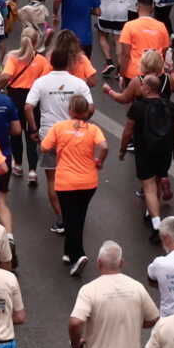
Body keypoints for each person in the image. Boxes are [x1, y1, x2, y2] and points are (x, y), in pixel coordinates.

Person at [40, 95, 110, 274]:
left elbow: (44, 147)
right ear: (86, 111)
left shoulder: (59, 127)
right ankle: (68, 252)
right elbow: (104, 147)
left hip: (66, 183)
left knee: (70, 219)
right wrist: (99, 162)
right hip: (88, 182)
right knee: (78, 216)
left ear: (70, 110)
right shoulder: (93, 129)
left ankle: (78, 255)